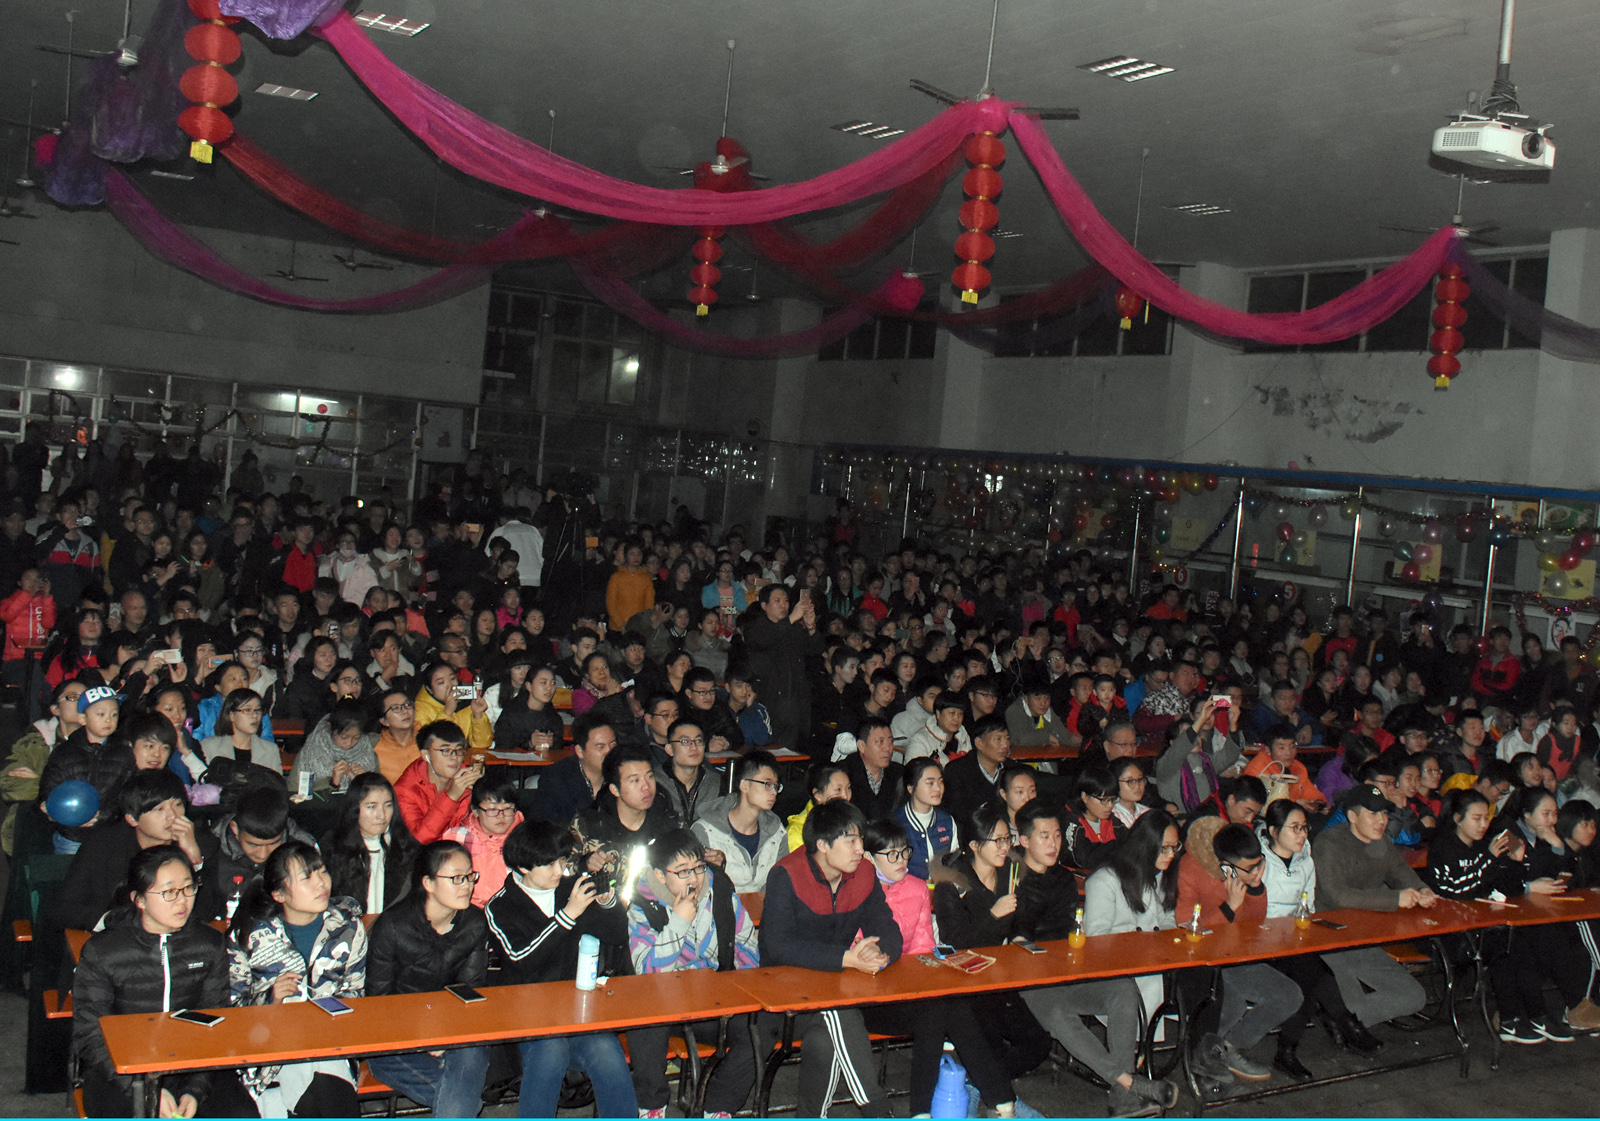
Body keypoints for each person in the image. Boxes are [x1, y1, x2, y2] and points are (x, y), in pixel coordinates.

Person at [862, 817, 1038, 1118]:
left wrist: (922, 975)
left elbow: (923, 945)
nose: (902, 860)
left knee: (945, 1007)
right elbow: (860, 951)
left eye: (905, 852)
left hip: (911, 991)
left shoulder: (917, 888)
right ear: (868, 857)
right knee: (943, 1009)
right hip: (871, 995)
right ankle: (1001, 1100)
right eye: (891, 854)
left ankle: (927, 1112)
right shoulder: (857, 891)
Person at [71, 846, 255, 1117]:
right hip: (120, 1069)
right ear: (139, 899)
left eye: (188, 888)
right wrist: (146, 1091)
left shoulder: (209, 944)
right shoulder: (103, 951)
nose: (182, 901)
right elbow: (90, 1033)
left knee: (241, 1112)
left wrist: (195, 1089)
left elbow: (215, 1021)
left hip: (192, 1065)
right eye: (169, 892)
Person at [480, 821, 636, 1117]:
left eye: (563, 861)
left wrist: (607, 903)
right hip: (527, 1016)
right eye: (549, 864)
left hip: (576, 1010)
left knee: (607, 1049)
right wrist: (568, 915)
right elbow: (521, 960)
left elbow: (617, 936)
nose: (559, 870)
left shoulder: (570, 889)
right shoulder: (500, 906)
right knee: (549, 1050)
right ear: (523, 867)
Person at [759, 799, 902, 1118]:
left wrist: (879, 953)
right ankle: (877, 1110)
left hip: (834, 988)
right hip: (782, 994)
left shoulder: (864, 873)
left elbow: (886, 927)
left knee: (825, 1039)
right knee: (840, 1010)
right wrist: (847, 958)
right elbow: (778, 947)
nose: (860, 849)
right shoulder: (786, 874)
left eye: (861, 839)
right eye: (850, 841)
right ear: (822, 845)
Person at [1424, 788, 1596, 1040]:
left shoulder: (1485, 843)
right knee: (1513, 946)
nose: (1484, 824)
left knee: (1524, 942)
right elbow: (1457, 890)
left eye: (1486, 817)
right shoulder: (1446, 846)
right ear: (1458, 818)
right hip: (1453, 929)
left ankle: (1534, 1017)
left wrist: (1516, 862)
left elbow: (1505, 884)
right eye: (1477, 818)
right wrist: (1491, 858)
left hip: (1485, 920)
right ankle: (1514, 1019)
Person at [626, 829, 760, 1119]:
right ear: (660, 875)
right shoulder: (642, 906)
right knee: (644, 1017)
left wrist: (730, 988)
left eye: (699, 868)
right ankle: (651, 1106)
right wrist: (678, 923)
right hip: (664, 1006)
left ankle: (717, 1106)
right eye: (683, 871)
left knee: (760, 1026)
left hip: (713, 1002)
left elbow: (748, 948)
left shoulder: (720, 894)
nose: (695, 878)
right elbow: (647, 971)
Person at [227, 841, 365, 1117]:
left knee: (323, 1083)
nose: (321, 883)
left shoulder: (347, 927)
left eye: (322, 871)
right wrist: (271, 998)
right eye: (307, 878)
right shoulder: (250, 935)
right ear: (279, 894)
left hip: (331, 1046)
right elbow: (231, 1012)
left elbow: (357, 995)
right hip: (268, 1053)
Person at [365, 841, 491, 1117]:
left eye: (470, 876)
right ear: (428, 883)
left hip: (453, 1032)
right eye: (456, 878)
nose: (467, 885)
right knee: (464, 1102)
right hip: (394, 1039)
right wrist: (422, 1036)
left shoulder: (474, 922)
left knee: (471, 1056)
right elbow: (378, 1004)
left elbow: (468, 993)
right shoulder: (393, 926)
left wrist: (445, 1035)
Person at [1175, 819, 1305, 1083]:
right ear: (1227, 866)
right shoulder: (1191, 867)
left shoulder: (1247, 871)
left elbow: (1253, 923)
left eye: (1259, 864)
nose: (1257, 871)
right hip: (1203, 959)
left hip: (1235, 954)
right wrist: (1229, 906)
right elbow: (1186, 926)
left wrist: (1255, 888)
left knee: (1289, 995)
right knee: (1231, 1005)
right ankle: (1202, 1054)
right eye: (1250, 868)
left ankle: (1227, 1047)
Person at [51, 769, 213, 934]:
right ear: (132, 819)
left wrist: (195, 860)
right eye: (159, 809)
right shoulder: (103, 844)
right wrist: (111, 920)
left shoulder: (201, 843)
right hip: (115, 940)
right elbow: (63, 908)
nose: (173, 816)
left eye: (177, 804)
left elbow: (209, 913)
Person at [39, 683, 131, 853]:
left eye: (114, 714)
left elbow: (128, 794)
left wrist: (102, 816)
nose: (108, 720)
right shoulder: (64, 752)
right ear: (83, 719)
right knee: (70, 869)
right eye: (100, 714)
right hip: (71, 836)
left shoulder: (125, 753)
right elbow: (49, 785)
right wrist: (49, 807)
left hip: (108, 836)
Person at [573, 742, 679, 878]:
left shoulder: (668, 819)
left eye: (649, 776)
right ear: (615, 790)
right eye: (635, 780)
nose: (646, 787)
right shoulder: (588, 824)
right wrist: (585, 863)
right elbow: (562, 868)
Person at [692, 749, 787, 895]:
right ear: (744, 785)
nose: (773, 791)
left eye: (776, 786)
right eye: (767, 784)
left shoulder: (777, 831)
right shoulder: (704, 831)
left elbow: (780, 882)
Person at [741, 583, 822, 754]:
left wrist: (811, 627)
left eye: (786, 600)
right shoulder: (756, 626)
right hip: (771, 698)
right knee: (770, 750)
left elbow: (815, 649)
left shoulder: (793, 628)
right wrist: (791, 619)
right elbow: (764, 640)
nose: (783, 605)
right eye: (777, 601)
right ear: (764, 606)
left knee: (795, 749)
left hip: (797, 698)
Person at [323, 772, 418, 916]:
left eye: (388, 805)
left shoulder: (406, 848)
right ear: (355, 809)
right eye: (372, 807)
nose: (381, 815)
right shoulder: (333, 849)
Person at [395, 720, 482, 844]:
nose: (454, 757)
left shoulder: (465, 777)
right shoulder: (405, 790)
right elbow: (419, 840)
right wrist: (451, 798)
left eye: (459, 750)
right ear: (426, 755)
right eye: (445, 751)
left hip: (459, 848)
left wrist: (481, 791)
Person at [1154, 696, 1244, 814]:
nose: (1196, 738)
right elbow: (1180, 748)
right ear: (1173, 743)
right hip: (1180, 820)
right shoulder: (1167, 764)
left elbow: (1229, 756)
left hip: (1208, 817)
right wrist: (1201, 719)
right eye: (1188, 734)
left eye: (1198, 734)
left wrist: (1233, 726)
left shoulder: (1205, 760)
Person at [443, 776, 524, 907]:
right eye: (492, 810)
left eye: (508, 809)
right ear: (475, 811)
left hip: (512, 908)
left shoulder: (525, 839)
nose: (501, 816)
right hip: (467, 908)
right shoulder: (457, 838)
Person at [532, 712, 614, 825]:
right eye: (601, 747)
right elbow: (547, 828)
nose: (609, 752)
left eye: (613, 745)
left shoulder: (623, 773)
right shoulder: (555, 778)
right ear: (580, 751)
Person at [288, 698, 377, 794]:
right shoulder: (311, 751)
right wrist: (332, 783)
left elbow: (378, 792)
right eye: (344, 737)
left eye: (356, 738)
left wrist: (362, 781)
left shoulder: (367, 752)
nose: (349, 743)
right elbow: (294, 790)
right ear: (331, 729)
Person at [942, 714, 1014, 831]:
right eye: (998, 739)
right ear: (979, 743)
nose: (1005, 745)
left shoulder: (1013, 770)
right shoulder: (956, 771)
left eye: (1007, 738)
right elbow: (956, 813)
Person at [894, 757, 957, 881]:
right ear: (911, 788)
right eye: (930, 783)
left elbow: (954, 865)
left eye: (940, 781)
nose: (938, 788)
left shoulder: (947, 821)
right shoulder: (895, 823)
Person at [1242, 724, 1327, 811]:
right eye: (1282, 748)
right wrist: (1295, 804)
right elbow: (1263, 804)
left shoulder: (1297, 767)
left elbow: (1310, 792)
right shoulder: (1256, 770)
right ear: (1268, 750)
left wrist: (1319, 802)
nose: (1288, 753)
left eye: (1292, 747)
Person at [413, 660, 493, 753]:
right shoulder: (419, 708)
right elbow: (432, 747)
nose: (450, 685)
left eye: (452, 678)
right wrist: (447, 712)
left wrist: (478, 715)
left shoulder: (467, 703)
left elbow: (482, 745)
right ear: (429, 689)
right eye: (441, 682)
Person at [653, 717, 720, 826]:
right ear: (670, 749)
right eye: (685, 741)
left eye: (698, 741)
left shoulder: (716, 782)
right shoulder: (654, 782)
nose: (694, 747)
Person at [199, 687, 282, 773]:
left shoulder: (270, 750)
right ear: (231, 715)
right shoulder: (210, 747)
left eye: (258, 710)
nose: (255, 715)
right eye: (247, 710)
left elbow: (276, 781)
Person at [1063, 765, 1129, 870]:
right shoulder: (1071, 822)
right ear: (1084, 796)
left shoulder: (1114, 823)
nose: (1110, 805)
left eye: (1112, 800)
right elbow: (1082, 860)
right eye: (1104, 800)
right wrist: (1115, 847)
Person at [842, 716, 903, 822]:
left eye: (890, 742)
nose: (887, 748)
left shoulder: (900, 773)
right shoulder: (843, 773)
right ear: (861, 746)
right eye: (879, 742)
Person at [493, 664, 564, 753]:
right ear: (529, 686)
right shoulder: (511, 713)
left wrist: (552, 743)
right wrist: (529, 743)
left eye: (553, 683)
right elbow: (502, 746)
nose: (549, 688)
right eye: (543, 682)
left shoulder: (554, 717)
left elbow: (559, 747)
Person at [785, 762, 851, 851]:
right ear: (818, 795)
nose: (845, 796)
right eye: (838, 790)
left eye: (848, 788)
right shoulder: (797, 833)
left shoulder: (850, 821)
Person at [902, 689, 972, 765]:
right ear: (938, 714)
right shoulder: (920, 740)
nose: (956, 718)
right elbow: (916, 770)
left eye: (960, 714)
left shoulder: (964, 737)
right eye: (952, 713)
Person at [372, 686, 420, 784]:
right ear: (384, 721)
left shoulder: (427, 738)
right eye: (395, 708)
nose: (404, 711)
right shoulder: (375, 747)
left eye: (407, 705)